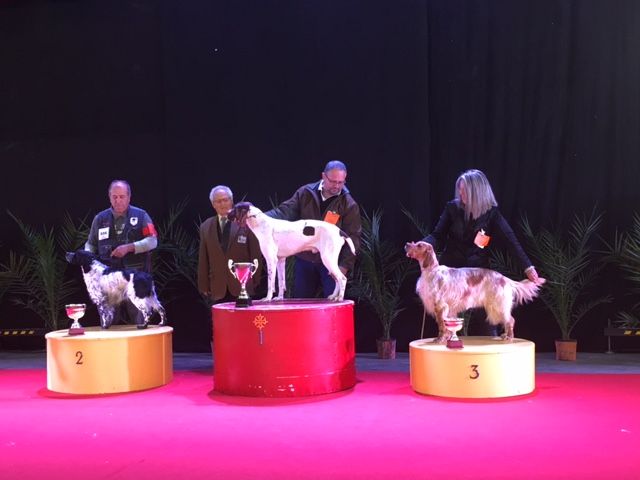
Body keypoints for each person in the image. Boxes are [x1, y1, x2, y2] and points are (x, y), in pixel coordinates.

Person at [422, 169, 540, 335]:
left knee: (488, 325)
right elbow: (437, 235)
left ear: (477, 192)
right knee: (447, 321)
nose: (460, 193)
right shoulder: (452, 208)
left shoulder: (492, 214)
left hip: (479, 278)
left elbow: (511, 241)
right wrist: (423, 245)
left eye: (464, 190)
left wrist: (528, 268)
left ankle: (492, 352)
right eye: (459, 189)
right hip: (452, 275)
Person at [266, 160, 361, 298]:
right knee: (302, 302)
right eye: (333, 181)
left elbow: (353, 236)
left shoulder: (348, 204)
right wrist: (260, 217)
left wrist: (343, 267)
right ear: (323, 176)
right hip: (304, 259)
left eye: (341, 182)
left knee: (332, 304)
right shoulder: (305, 193)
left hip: (330, 262)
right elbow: (284, 211)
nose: (337, 186)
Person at [85, 179, 158, 325]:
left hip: (134, 278)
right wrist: (88, 258)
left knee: (140, 319)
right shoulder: (99, 219)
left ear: (129, 197)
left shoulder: (141, 216)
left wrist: (130, 247)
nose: (118, 201)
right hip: (109, 281)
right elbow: (90, 244)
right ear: (109, 197)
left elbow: (153, 241)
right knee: (109, 321)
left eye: (122, 196)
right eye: (114, 197)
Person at [198, 185, 263, 303]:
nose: (222, 204)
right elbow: (203, 258)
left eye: (225, 200)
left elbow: (255, 253)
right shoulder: (205, 226)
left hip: (242, 285)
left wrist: (255, 280)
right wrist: (203, 285)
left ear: (232, 201)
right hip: (218, 288)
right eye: (218, 201)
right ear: (213, 204)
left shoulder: (246, 222)